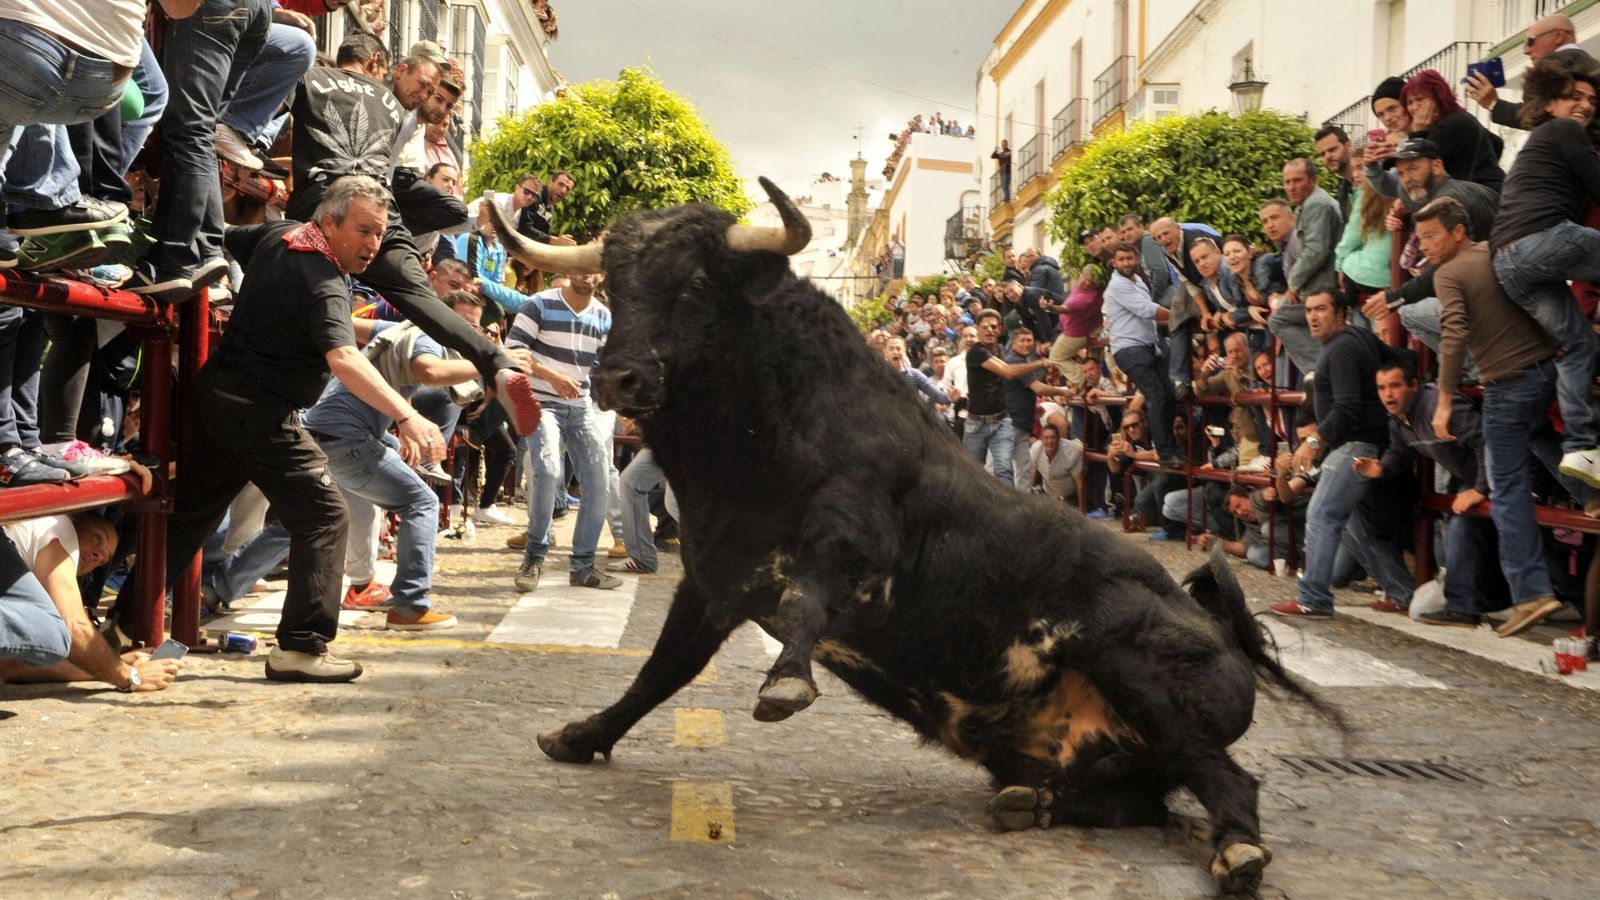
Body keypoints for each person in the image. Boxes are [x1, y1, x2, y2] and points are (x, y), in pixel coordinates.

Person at [117, 176, 447, 683]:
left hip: (222, 399)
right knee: (325, 514)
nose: (373, 245)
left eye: (379, 234)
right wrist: (407, 414)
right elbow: (343, 359)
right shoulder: (323, 279)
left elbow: (224, 236)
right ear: (329, 221)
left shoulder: (282, 235)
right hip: (261, 412)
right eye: (363, 231)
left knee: (191, 517)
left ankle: (122, 627)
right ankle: (300, 647)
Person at [279, 34, 541, 438]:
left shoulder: (309, 78)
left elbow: (262, 118)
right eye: (424, 86)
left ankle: (298, 411)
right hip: (381, 208)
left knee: (308, 312)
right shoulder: (391, 103)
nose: (424, 95)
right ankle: (495, 362)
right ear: (380, 65)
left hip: (325, 211)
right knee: (421, 301)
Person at [1422, 195, 1585, 638]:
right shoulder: (1496, 252)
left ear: (1458, 231)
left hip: (1506, 385)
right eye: (1421, 238)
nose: (1426, 246)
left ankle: (1530, 592)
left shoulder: (1451, 272)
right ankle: (1590, 492)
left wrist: (1444, 399)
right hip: (1545, 372)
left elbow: (1453, 333)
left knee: (1509, 488)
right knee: (1539, 438)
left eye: (1432, 236)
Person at [1487, 53, 1600, 488]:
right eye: (1575, 96)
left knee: (1577, 345)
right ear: (1549, 101)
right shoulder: (1566, 130)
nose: (1586, 105)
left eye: (1591, 98)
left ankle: (1580, 447)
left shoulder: (1540, 139)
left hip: (1508, 263)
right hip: (1543, 241)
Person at [1270, 291, 1408, 618]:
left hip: (1354, 446)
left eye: (1321, 309)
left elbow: (1347, 406)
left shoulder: (1342, 348)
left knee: (1322, 515)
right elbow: (1401, 357)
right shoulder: (1357, 336)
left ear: (1341, 313)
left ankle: (1313, 598)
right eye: (1308, 311)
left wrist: (1314, 441)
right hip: (1369, 442)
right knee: (1357, 526)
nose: (1313, 317)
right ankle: (1402, 592)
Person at [1357, 361, 1508, 627]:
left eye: (1395, 386)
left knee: (1463, 523)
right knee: (1460, 525)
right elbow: (1399, 450)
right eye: (1382, 388)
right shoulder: (1398, 420)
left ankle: (1464, 607)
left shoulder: (1437, 405)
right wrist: (1382, 468)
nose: (1388, 394)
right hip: (1469, 476)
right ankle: (1479, 602)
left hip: (1506, 472)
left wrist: (1479, 489)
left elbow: (1487, 440)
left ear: (1413, 386)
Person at [504, 270, 622, 593]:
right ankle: (533, 557)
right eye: (581, 267)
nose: (588, 275)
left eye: (595, 269)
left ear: (601, 275)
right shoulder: (539, 304)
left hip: (581, 407)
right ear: (569, 270)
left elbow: (602, 366)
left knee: (599, 482)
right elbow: (512, 351)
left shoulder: (603, 316)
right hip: (541, 401)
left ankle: (583, 566)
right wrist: (552, 376)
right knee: (548, 470)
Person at [0, 508, 179, 692]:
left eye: (102, 560)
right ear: (74, 518)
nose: (98, 555)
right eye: (97, 539)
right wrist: (130, 675)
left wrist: (110, 664)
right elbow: (74, 629)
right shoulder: (61, 529)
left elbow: (10, 667)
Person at [1103, 241, 1179, 466]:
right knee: (1155, 394)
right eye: (1122, 259)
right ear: (1114, 262)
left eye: (1130, 258)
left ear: (1136, 259)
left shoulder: (1138, 281)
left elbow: (1149, 314)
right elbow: (1147, 310)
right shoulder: (1117, 285)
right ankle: (1165, 453)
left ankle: (1168, 448)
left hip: (1147, 347)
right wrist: (1179, 316)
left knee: (1168, 394)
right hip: (1129, 349)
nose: (1126, 263)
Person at [1267, 160, 1341, 378]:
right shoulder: (1308, 205)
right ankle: (1324, 368)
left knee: (1279, 319)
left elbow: (1316, 251)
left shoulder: (1317, 205)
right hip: (1317, 288)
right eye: (1287, 182)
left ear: (1313, 180)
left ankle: (1323, 368)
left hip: (1323, 288)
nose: (1291, 187)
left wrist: (1293, 283)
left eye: (1297, 180)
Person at [962, 310, 1050, 484]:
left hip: (1002, 421)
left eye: (993, 326)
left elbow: (1010, 383)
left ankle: (1007, 511)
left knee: (1004, 469)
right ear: (977, 329)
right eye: (985, 326)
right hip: (976, 424)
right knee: (972, 473)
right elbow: (1009, 372)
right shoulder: (976, 352)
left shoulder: (1001, 350)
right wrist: (1040, 363)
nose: (989, 330)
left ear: (1000, 329)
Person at [1466, 13, 1594, 129]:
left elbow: (1534, 117)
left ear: (1558, 36)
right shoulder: (1595, 66)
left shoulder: (1549, 65)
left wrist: (1493, 103)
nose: (1526, 50)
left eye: (1531, 41)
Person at [1399, 69, 1504, 193]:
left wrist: (1418, 131)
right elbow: (1497, 142)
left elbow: (1418, 168)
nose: (1414, 107)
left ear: (1437, 99)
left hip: (1481, 198)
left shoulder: (1450, 125)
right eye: (1409, 102)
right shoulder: (1460, 117)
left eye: (1420, 99)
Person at [1002, 328, 1075, 490]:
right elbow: (1038, 389)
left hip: (1021, 424)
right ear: (1013, 342)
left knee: (1023, 469)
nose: (1026, 343)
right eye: (1022, 340)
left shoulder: (1023, 361)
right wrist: (1062, 391)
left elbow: (1019, 391)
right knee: (1001, 468)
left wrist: (1032, 410)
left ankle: (1023, 508)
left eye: (1029, 340)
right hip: (1009, 424)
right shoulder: (1015, 360)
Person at [1029, 424, 1083, 502]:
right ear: (1041, 439)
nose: (1050, 441)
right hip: (1048, 494)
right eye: (1046, 438)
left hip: (1070, 495)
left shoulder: (1070, 451)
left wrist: (1082, 510)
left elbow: (1079, 481)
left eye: (1053, 437)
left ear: (1059, 439)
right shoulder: (1036, 450)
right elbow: (1031, 475)